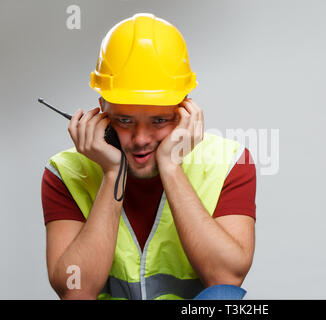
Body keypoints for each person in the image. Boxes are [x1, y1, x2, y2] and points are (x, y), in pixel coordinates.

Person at [40, 13, 256, 300]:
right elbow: (74, 288)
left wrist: (170, 166)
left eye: (159, 121)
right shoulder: (65, 172)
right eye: (125, 121)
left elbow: (226, 279)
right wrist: (112, 174)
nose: (141, 139)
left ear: (185, 110)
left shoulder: (230, 162)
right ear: (102, 110)